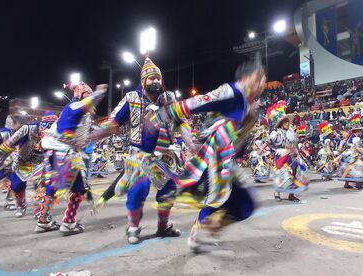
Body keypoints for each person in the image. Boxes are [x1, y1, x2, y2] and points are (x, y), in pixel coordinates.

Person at [157, 60, 266, 253]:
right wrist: (166, 113)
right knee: (229, 197)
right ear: (248, 77)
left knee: (243, 203)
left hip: (222, 158)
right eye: (260, 79)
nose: (263, 84)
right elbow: (199, 101)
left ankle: (201, 232)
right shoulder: (231, 90)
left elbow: (233, 134)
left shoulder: (244, 103)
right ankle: (194, 231)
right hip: (212, 157)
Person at [89, 57, 186, 244]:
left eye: (158, 78)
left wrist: (191, 144)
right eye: (151, 78)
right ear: (143, 81)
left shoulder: (170, 98)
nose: (156, 81)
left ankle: (163, 226)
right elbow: (114, 122)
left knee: (168, 191)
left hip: (165, 155)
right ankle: (133, 227)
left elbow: (181, 122)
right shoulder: (131, 98)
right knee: (138, 190)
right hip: (139, 155)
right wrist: (97, 134)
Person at [35, 82, 106, 235]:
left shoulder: (83, 114)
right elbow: (73, 119)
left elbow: (89, 133)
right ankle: (68, 222)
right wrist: (98, 94)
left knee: (53, 188)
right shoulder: (74, 106)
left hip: (60, 152)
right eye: (87, 95)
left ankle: (43, 220)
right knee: (79, 189)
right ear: (80, 96)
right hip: (65, 153)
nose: (89, 100)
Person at [268, 101, 309, 202]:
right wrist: (291, 148)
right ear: (281, 123)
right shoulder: (275, 133)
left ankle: (291, 194)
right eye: (285, 122)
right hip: (282, 155)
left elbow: (295, 143)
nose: (288, 123)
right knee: (282, 174)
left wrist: (297, 151)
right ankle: (277, 192)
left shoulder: (291, 132)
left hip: (292, 156)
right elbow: (279, 143)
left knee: (294, 174)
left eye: (288, 121)